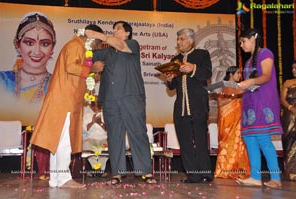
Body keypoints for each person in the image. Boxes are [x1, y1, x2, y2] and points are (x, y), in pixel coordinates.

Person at [30, 24, 104, 188]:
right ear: (90, 36)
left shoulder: (76, 46)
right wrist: (92, 68)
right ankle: (63, 178)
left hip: (65, 99)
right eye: (98, 42)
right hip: (64, 100)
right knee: (64, 141)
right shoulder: (75, 45)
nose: (97, 46)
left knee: (58, 141)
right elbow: (71, 67)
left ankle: (56, 179)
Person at [85, 21, 156, 185]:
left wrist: (99, 35)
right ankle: (117, 173)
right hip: (110, 100)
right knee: (114, 136)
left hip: (131, 97)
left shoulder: (132, 45)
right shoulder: (105, 52)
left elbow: (119, 44)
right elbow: (86, 61)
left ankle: (145, 171)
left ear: (127, 33)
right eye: (113, 29)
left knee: (137, 133)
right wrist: (93, 68)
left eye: (118, 29)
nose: (114, 31)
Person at [164, 28, 214, 183]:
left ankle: (205, 173)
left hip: (198, 105)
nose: (179, 42)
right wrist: (170, 78)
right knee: (184, 141)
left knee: (200, 140)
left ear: (191, 40)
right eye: (178, 39)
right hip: (180, 107)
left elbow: (207, 74)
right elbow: (171, 88)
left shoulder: (202, 54)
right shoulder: (176, 59)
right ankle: (193, 174)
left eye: (182, 39)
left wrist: (193, 68)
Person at [236, 28, 283, 188]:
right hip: (250, 103)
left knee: (263, 139)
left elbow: (266, 76)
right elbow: (251, 83)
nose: (241, 45)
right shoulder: (249, 61)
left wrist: (250, 82)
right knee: (249, 138)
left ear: (253, 39)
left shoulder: (265, 53)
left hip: (263, 102)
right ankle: (255, 176)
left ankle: (275, 178)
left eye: (243, 41)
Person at [0, 12, 56, 103]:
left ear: (52, 47)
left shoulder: (57, 85)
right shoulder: (0, 80)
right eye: (29, 43)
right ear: (17, 45)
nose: (37, 52)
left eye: (45, 44)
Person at [214, 66, 250, 179]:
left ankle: (238, 169)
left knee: (240, 144)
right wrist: (235, 96)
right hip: (227, 120)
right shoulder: (223, 86)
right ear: (231, 74)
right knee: (226, 144)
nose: (240, 75)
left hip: (239, 120)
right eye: (238, 73)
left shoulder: (240, 87)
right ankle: (224, 170)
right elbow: (220, 103)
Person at [82, 101, 108, 177]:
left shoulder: (106, 114)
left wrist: (100, 123)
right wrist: (92, 122)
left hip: (103, 138)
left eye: (97, 104)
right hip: (91, 138)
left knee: (107, 147)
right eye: (93, 104)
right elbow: (84, 129)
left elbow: (109, 130)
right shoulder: (87, 115)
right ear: (91, 106)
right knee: (86, 145)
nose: (95, 106)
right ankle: (96, 168)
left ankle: (100, 169)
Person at [280, 60, 296, 181]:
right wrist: (291, 108)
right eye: (292, 68)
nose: (293, 70)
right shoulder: (288, 82)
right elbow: (282, 99)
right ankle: (289, 173)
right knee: (289, 142)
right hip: (289, 116)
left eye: (295, 68)